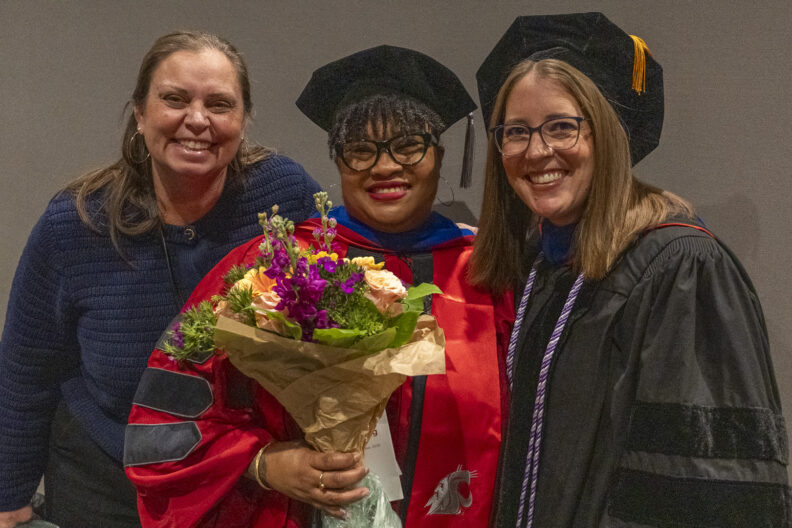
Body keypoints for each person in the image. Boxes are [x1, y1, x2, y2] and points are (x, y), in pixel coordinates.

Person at [125, 45, 510, 527]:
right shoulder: (275, 267)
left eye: (409, 145)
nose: (385, 166)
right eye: (360, 150)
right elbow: (167, 418)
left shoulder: (489, 276)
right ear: (338, 162)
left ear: (439, 155)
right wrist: (264, 463)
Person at [470, 12, 791, 528]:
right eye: (516, 132)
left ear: (607, 134)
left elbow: (699, 489)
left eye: (561, 127)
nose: (537, 151)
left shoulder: (681, 268)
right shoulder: (534, 268)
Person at [0, 30, 320, 528]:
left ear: (243, 121)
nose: (197, 120)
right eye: (174, 99)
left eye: (219, 104)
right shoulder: (76, 223)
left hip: (247, 481)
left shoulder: (285, 195)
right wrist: (8, 496)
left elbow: (342, 299)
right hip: (106, 485)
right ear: (140, 113)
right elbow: (25, 369)